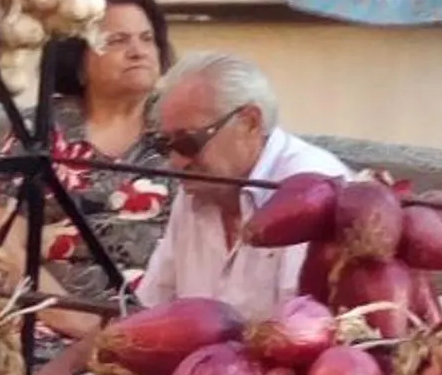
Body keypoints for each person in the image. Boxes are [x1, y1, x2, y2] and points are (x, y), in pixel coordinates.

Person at [0, 0, 175, 345]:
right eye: (117, 40)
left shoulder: (178, 128)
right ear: (79, 62)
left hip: (159, 330)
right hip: (49, 326)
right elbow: (0, 245)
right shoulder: (43, 130)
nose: (138, 51)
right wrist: (83, 324)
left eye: (147, 39)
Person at [131, 54, 350, 322]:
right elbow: (148, 308)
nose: (176, 161)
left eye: (189, 142)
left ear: (249, 122)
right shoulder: (201, 187)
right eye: (165, 145)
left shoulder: (310, 190)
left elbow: (302, 332)